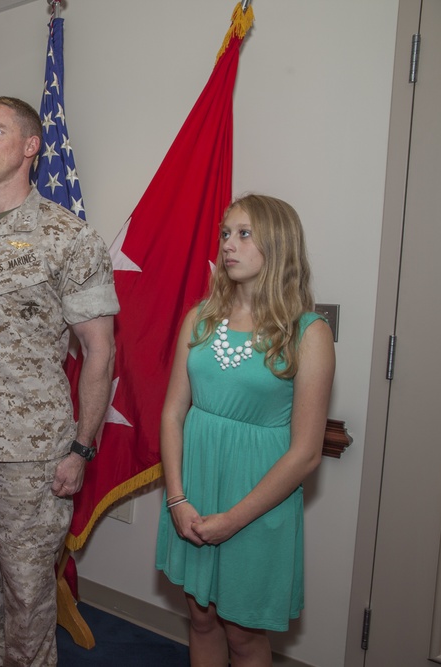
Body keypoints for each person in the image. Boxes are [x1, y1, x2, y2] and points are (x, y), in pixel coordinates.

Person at [0, 96, 118, 666]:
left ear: (32, 146)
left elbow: (100, 352)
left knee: (29, 589)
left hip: (29, 453)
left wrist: (82, 449)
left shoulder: (68, 239)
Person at [155, 194, 335, 666]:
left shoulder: (308, 333)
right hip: (194, 493)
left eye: (243, 233)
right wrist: (176, 499)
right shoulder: (200, 318)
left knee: (243, 636)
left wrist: (233, 520)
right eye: (225, 234)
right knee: (200, 620)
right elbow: (173, 413)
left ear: (277, 244)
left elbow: (306, 453)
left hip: (256, 505)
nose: (228, 245)